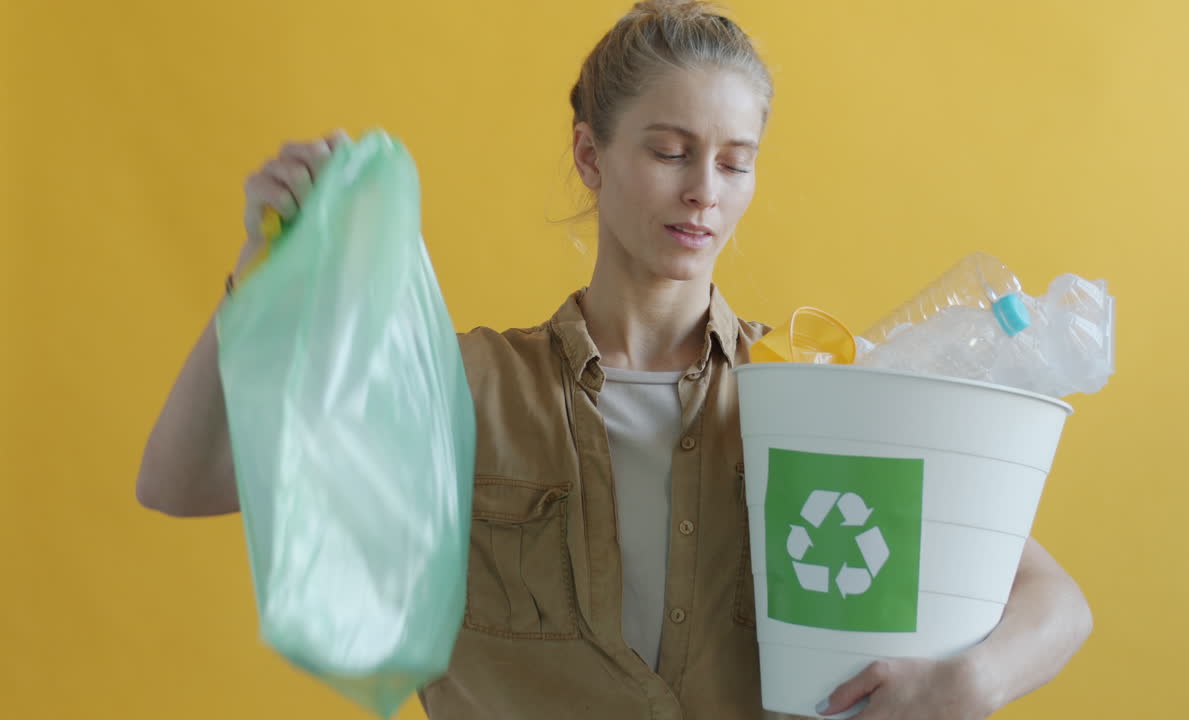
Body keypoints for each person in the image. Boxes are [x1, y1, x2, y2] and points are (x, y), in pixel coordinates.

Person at [136, 2, 1093, 718]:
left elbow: (1054, 598)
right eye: (671, 151)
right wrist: (263, 271)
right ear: (591, 159)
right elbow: (181, 480)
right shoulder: (461, 392)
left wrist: (971, 681)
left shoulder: (811, 394)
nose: (703, 193)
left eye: (734, 160)